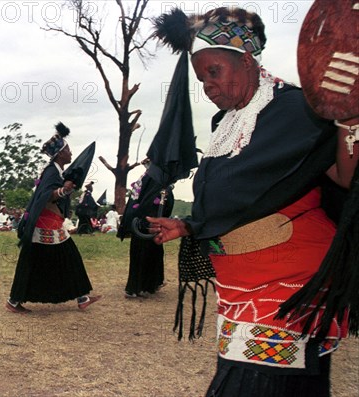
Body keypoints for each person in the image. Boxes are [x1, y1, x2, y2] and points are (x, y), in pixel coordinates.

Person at [150, 7, 358, 396]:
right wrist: (187, 225)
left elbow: (345, 178)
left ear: (246, 61)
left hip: (288, 283)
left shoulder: (299, 109)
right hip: (237, 287)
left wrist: (350, 120)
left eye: (215, 72)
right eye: (201, 79)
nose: (208, 86)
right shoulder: (223, 125)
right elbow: (239, 202)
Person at [6, 122, 101, 313]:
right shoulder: (51, 172)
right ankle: (14, 301)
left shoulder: (56, 172)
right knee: (46, 259)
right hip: (45, 224)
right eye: (68, 150)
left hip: (49, 224)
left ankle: (81, 297)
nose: (71, 153)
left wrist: (64, 189)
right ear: (60, 154)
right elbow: (46, 195)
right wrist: (63, 191)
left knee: (55, 259)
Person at [118, 159, 175, 298]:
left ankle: (151, 284)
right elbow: (148, 202)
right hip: (146, 224)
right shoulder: (154, 177)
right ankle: (139, 287)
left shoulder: (149, 176)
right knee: (144, 254)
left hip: (142, 222)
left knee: (151, 253)